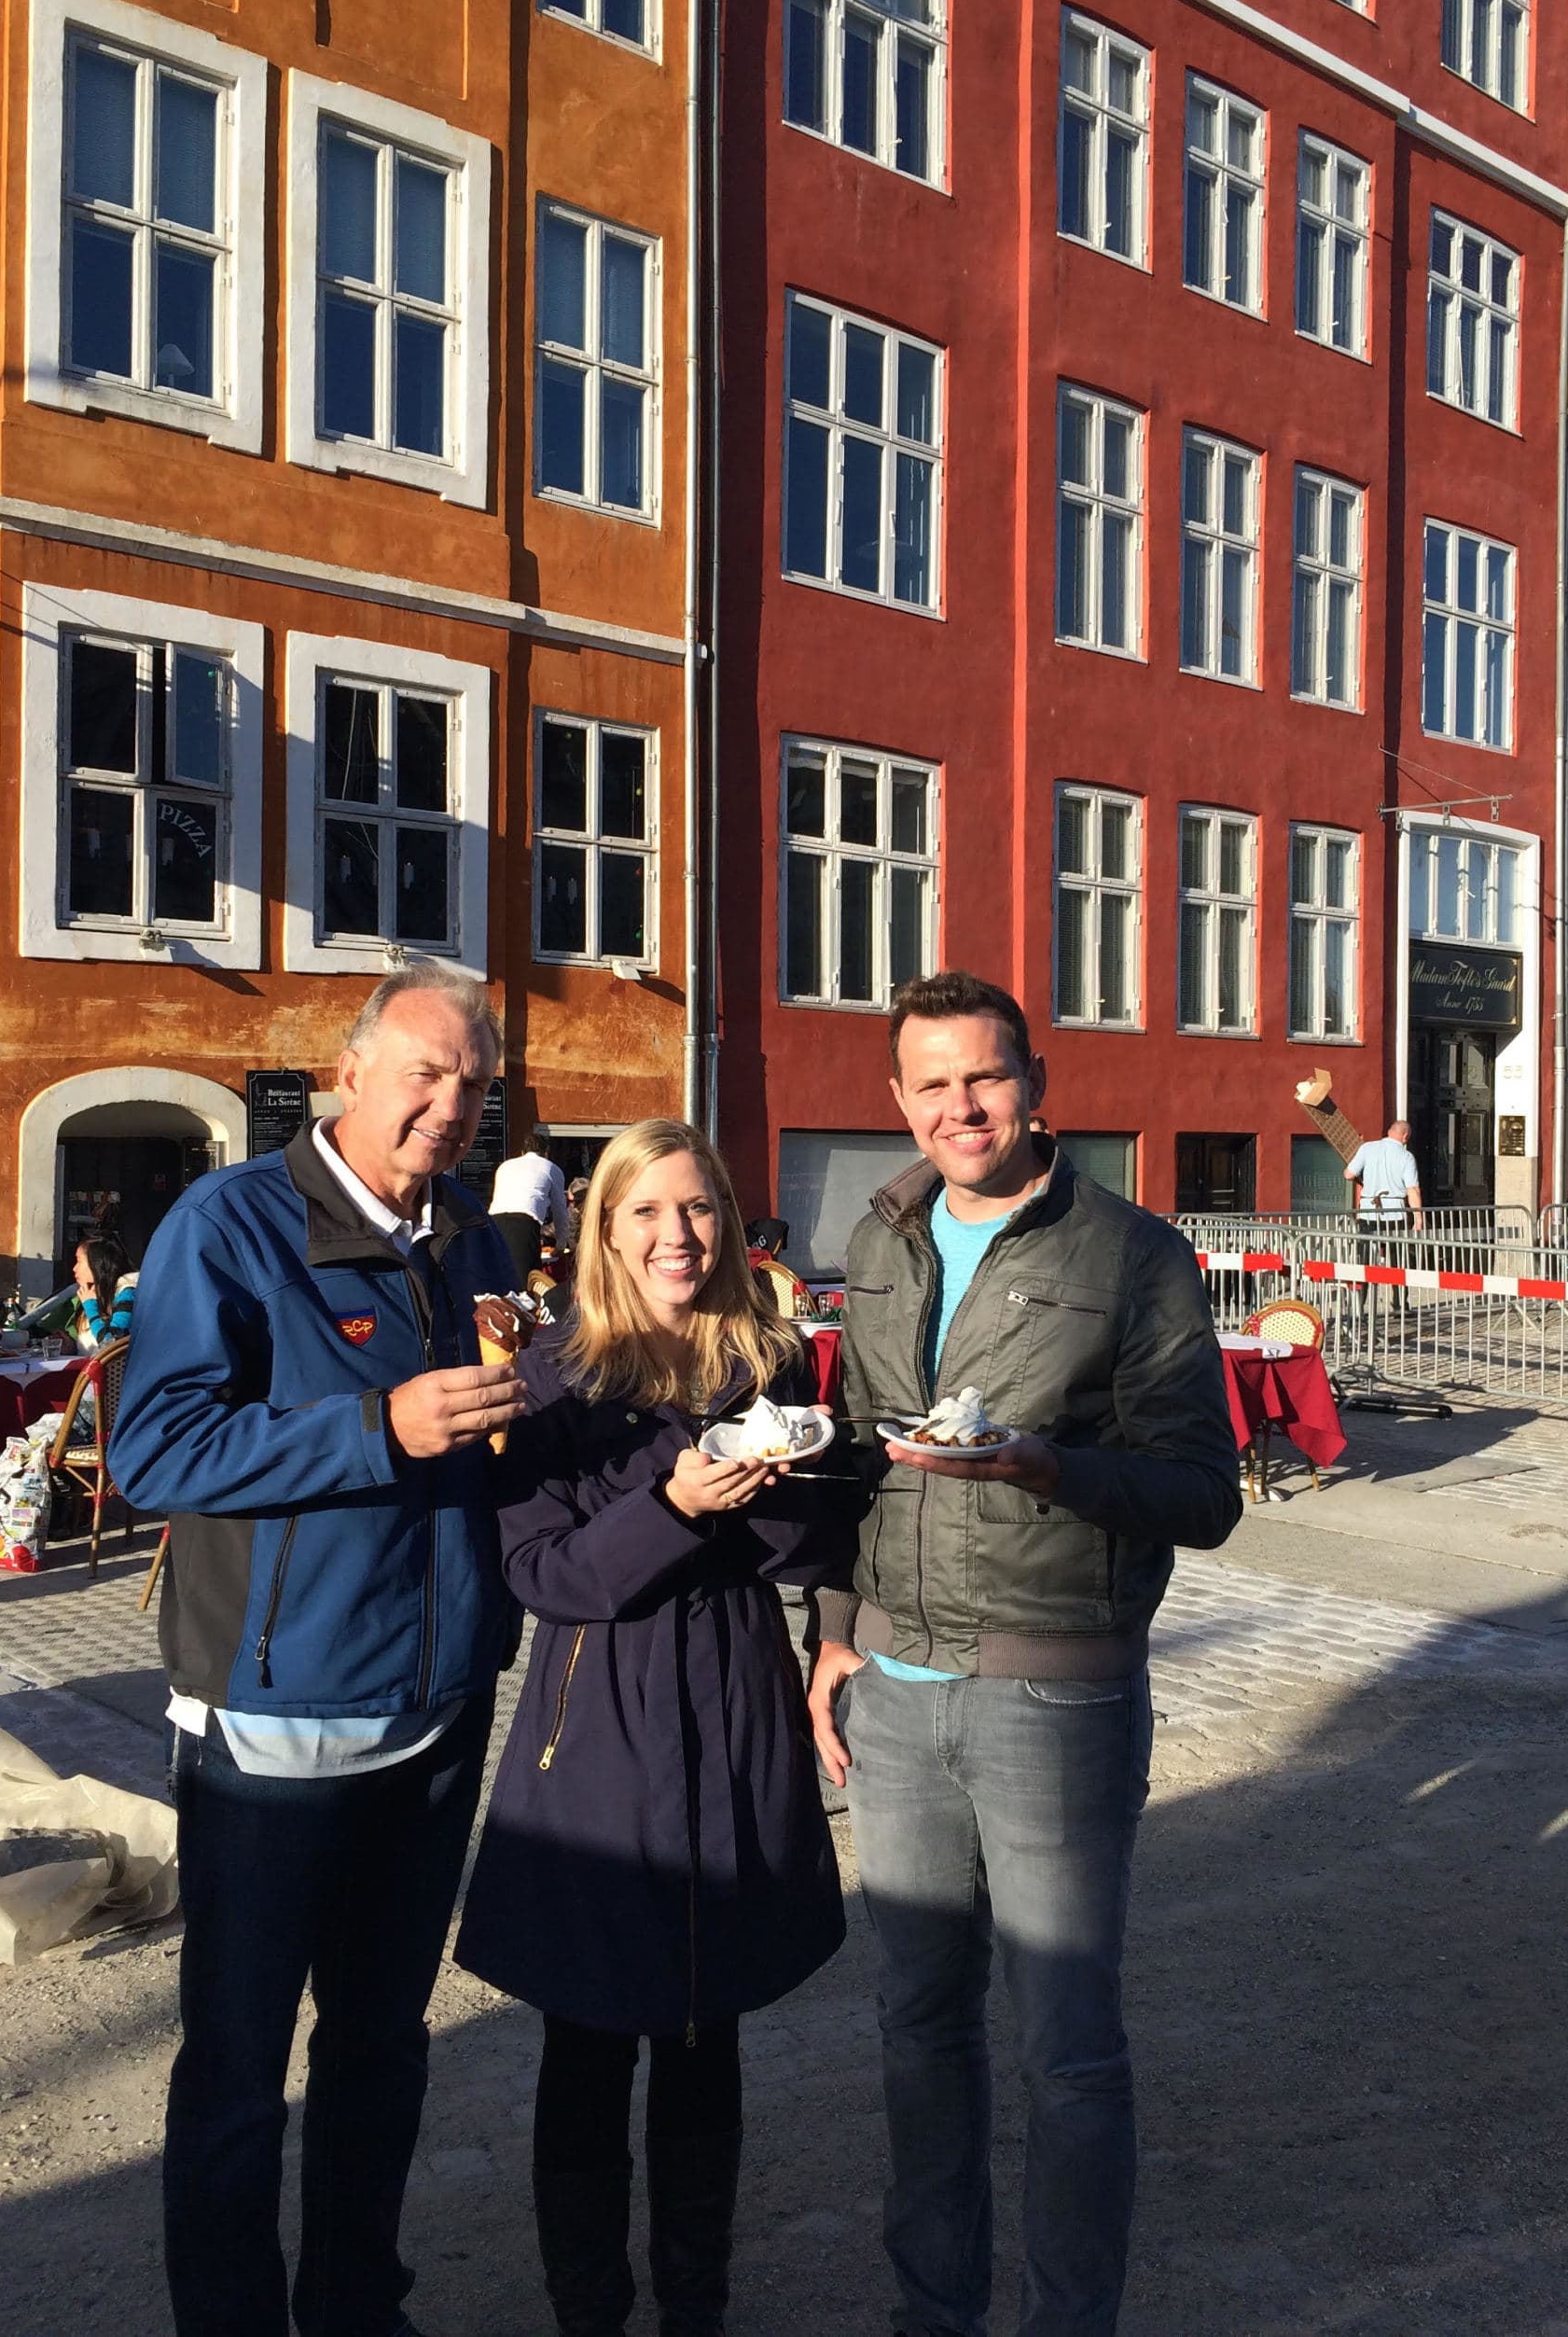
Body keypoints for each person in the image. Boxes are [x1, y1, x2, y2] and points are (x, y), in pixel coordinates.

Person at [807, 970, 1242, 2337]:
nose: (961, 1106)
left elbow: (1204, 1493)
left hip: (1054, 1689)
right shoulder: (880, 1235)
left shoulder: (1132, 1253)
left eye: (984, 1076)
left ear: (1035, 1083)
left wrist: (1049, 1465)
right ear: (898, 1098)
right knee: (917, 2028)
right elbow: (856, 1458)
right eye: (932, 1083)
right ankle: (932, 2314)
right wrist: (831, 1633)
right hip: (894, 1693)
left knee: (1066, 2051)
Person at [108, 962, 531, 2337]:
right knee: (240, 2068)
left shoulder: (474, 1238)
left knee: (380, 2047)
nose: (450, 1103)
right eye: (425, 1071)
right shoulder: (231, 1223)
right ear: (349, 1074)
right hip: (272, 1718)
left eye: (474, 1082)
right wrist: (375, 1427)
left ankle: (357, 2304)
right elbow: (153, 1448)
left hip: (437, 1707)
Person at [456, 1119, 862, 2337]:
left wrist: (785, 1494)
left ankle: (697, 2305)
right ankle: (590, 2311)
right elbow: (543, 1572)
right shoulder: (551, 1372)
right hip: (596, 1723)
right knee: (588, 2036)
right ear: (604, 1227)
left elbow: (811, 1549)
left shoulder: (764, 1355)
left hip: (735, 1702)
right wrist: (675, 1504)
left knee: (704, 2025)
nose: (676, 1233)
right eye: (647, 1209)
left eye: (696, 1208)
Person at [492, 1123, 574, 1286]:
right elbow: (560, 1211)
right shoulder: (551, 1168)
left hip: (494, 1223)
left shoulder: (505, 1166)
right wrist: (561, 1245)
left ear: (522, 1152)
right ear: (546, 1153)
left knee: (499, 1278)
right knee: (527, 1281)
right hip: (524, 1224)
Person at [1345, 1119, 1424, 1236]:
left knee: (1367, 1247)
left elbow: (1348, 1175)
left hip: (1368, 1212)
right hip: (1395, 1213)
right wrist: (1418, 1220)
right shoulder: (1407, 1157)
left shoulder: (1367, 1148)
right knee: (1395, 1248)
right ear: (1405, 1136)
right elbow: (1412, 1189)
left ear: (1389, 1132)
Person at [70, 1230, 136, 1349]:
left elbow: (111, 1345)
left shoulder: (127, 1294)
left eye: (79, 1261)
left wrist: (91, 1307)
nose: (74, 1268)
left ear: (97, 1264)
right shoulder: (92, 1294)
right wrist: (71, 1346)